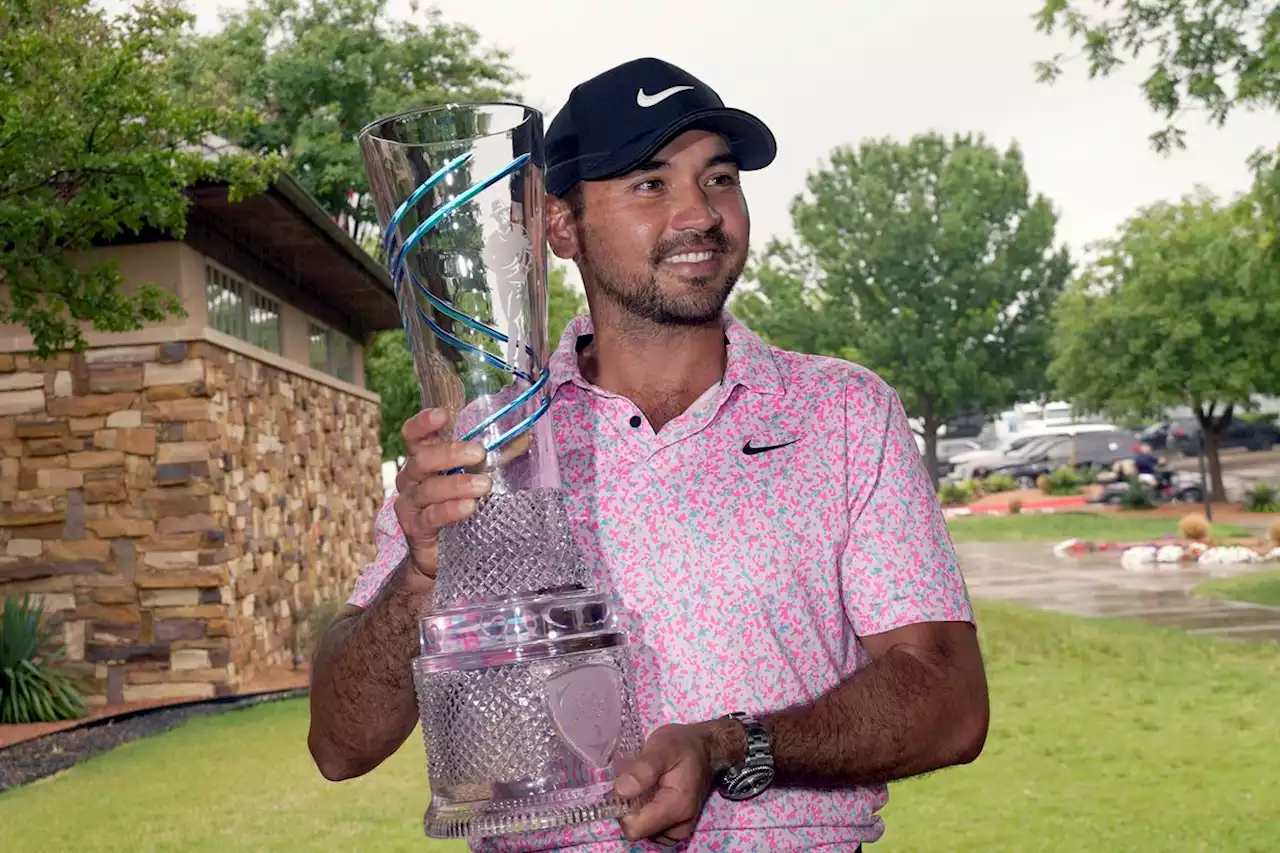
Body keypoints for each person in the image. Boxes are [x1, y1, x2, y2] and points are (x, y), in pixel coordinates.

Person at [308, 57, 990, 852]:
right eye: (649, 184)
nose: (699, 213)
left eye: (721, 178)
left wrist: (730, 745)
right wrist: (421, 576)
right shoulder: (489, 438)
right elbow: (340, 745)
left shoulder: (840, 413)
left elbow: (950, 700)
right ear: (558, 226)